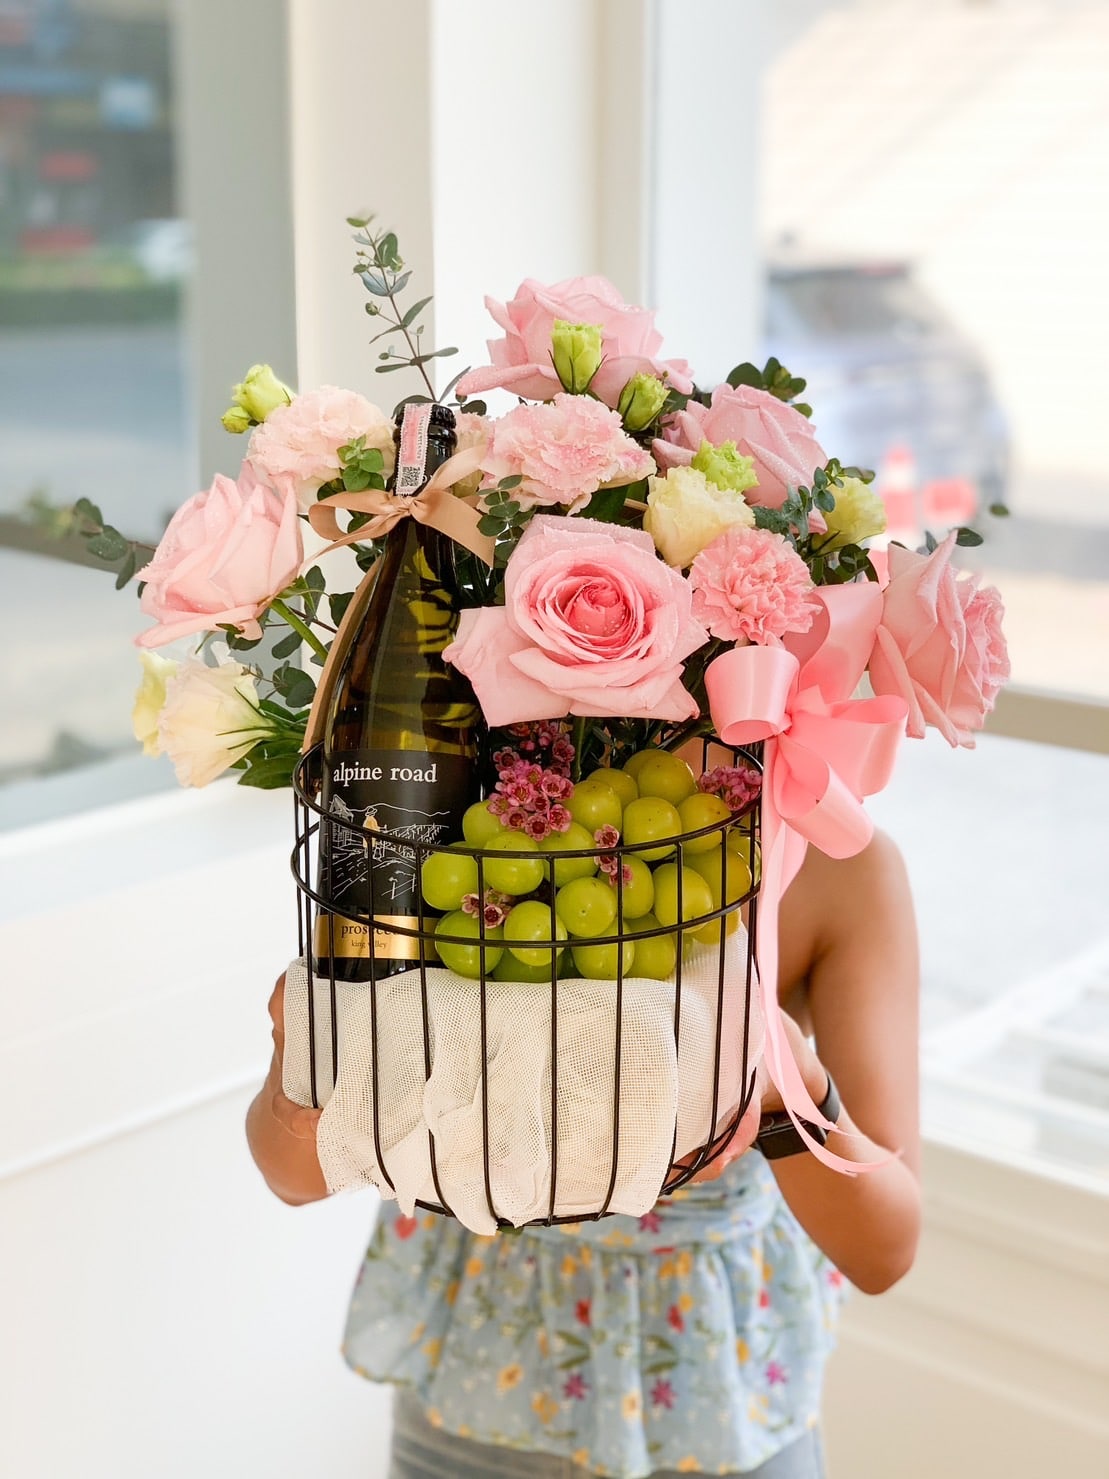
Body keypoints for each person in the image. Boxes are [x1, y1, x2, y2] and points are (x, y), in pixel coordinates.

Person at [246, 826, 920, 1479]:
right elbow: (295, 1177)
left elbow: (883, 1249)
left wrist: (790, 1089)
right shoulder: (448, 826)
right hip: (478, 1381)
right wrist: (296, 1055)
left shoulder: (832, 862)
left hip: (712, 1402)